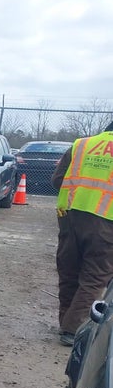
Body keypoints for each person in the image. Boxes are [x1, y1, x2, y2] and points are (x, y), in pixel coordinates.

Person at [51, 121, 113, 346]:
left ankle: (65, 321)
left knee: (69, 270)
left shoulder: (82, 145)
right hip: (107, 222)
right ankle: (71, 329)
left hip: (70, 216)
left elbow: (57, 179)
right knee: (95, 276)